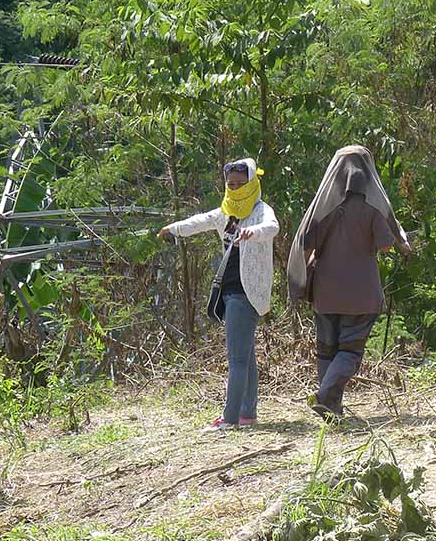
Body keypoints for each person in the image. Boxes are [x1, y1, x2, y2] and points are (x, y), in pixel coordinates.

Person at [287, 145, 413, 421]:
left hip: (325, 292)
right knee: (350, 352)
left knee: (326, 351)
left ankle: (331, 409)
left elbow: (306, 246)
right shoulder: (372, 206)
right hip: (361, 293)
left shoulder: (321, 209)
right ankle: (324, 398)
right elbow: (385, 247)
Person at [158, 158, 279, 431]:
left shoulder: (261, 211)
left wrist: (252, 232)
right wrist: (172, 229)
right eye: (231, 184)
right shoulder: (226, 211)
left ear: (252, 183)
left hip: (246, 291)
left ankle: (230, 418)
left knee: (236, 358)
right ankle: (247, 413)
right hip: (228, 289)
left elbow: (272, 228)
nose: (235, 189)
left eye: (241, 184)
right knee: (246, 356)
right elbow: (200, 221)